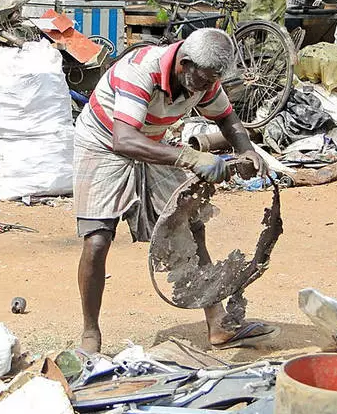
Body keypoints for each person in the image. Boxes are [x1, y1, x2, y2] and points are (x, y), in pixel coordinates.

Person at [73, 28, 276, 357]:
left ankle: (218, 324)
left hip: (151, 141)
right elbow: (123, 140)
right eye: (205, 80)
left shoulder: (203, 78)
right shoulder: (140, 70)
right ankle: (90, 335)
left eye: (214, 80)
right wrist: (191, 157)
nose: (210, 88)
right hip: (103, 142)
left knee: (191, 225)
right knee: (97, 241)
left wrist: (246, 150)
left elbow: (227, 118)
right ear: (183, 65)